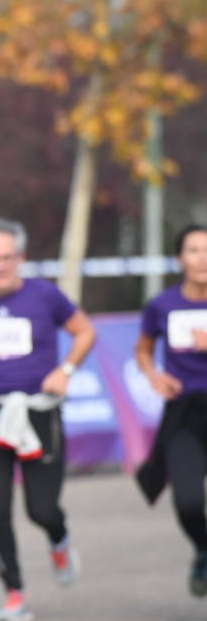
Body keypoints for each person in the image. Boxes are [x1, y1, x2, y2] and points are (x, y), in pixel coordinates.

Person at [0, 217, 96, 621]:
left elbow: (85, 333)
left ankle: (58, 540)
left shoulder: (46, 296)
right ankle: (14, 593)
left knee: (41, 509)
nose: (1, 265)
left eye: (8, 257)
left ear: (21, 258)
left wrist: (66, 371)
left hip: (38, 412)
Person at [133, 224, 207, 597]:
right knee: (189, 501)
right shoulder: (162, 305)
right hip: (185, 416)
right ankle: (203, 549)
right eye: (193, 250)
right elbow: (143, 349)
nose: (203, 258)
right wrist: (153, 374)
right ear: (179, 259)